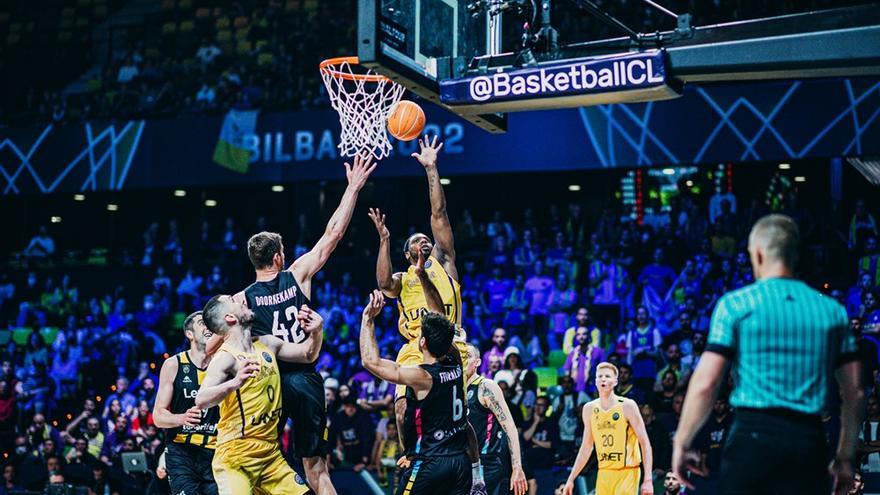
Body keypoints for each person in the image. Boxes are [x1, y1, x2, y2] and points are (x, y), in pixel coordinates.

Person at [204, 154, 375, 495]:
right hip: (304, 376)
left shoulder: (241, 299)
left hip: (268, 383)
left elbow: (211, 343)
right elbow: (334, 234)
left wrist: (210, 359)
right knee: (315, 466)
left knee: (261, 461)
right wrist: (353, 187)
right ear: (279, 257)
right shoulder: (297, 275)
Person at [673, 214, 863, 495]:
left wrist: (682, 442)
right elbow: (855, 391)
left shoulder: (735, 305)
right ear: (795, 255)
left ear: (758, 254)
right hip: (807, 442)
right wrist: (845, 457)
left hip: (750, 439)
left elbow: (706, 383)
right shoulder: (832, 311)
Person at [368, 136, 468, 445]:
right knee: (400, 410)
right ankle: (410, 456)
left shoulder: (444, 263)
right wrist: (384, 240)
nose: (425, 242)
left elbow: (439, 214)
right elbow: (384, 285)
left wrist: (431, 168)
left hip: (451, 345)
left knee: (455, 417)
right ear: (409, 253)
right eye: (418, 242)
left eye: (428, 240)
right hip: (415, 346)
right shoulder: (402, 277)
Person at [197, 294, 323, 495]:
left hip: (270, 456)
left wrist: (316, 332)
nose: (243, 300)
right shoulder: (225, 358)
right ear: (230, 317)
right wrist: (234, 383)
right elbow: (201, 399)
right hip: (236, 456)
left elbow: (307, 355)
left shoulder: (267, 343)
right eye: (234, 300)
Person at [359, 291, 472, 495]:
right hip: (460, 462)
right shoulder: (456, 362)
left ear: (422, 343)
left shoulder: (423, 377)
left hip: (431, 461)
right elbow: (443, 324)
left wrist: (367, 319)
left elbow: (370, 361)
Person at [153, 311, 220, 495]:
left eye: (210, 323)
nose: (208, 327)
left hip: (215, 451)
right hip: (181, 451)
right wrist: (182, 418)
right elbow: (158, 416)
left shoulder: (224, 363)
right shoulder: (173, 364)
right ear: (189, 334)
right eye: (201, 323)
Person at [563, 362, 654, 495]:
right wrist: (571, 478)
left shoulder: (628, 406)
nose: (603, 379)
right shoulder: (589, 409)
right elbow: (587, 446)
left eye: (607, 376)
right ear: (595, 381)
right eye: (600, 376)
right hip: (604, 472)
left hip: (627, 471)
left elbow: (645, 443)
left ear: (615, 381)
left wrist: (648, 479)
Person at [465, 345, 528, 495]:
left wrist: (517, 467)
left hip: (484, 464)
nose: (462, 360)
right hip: (459, 463)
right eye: (459, 355)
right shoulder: (452, 389)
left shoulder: (485, 387)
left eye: (467, 356)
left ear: (477, 362)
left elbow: (510, 427)